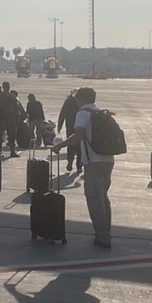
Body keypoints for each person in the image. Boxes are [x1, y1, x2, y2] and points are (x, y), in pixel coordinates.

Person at [50, 87, 114, 249]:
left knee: (94, 199)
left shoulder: (83, 113)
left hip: (93, 161)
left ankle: (103, 238)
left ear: (81, 99)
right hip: (108, 159)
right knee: (103, 197)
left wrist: (60, 146)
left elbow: (77, 136)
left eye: (77, 98)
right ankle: (105, 231)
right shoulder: (100, 111)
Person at [57, 90, 81, 172]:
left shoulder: (68, 102)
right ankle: (79, 165)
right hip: (79, 126)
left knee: (70, 144)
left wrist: (59, 126)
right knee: (80, 146)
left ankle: (70, 162)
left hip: (70, 126)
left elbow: (62, 114)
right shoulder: (81, 102)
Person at [0, 83, 21, 158]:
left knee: (9, 137)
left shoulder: (0, 96)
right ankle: (10, 152)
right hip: (7, 120)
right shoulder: (12, 97)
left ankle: (6, 151)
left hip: (6, 120)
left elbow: (16, 110)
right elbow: (16, 110)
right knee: (9, 137)